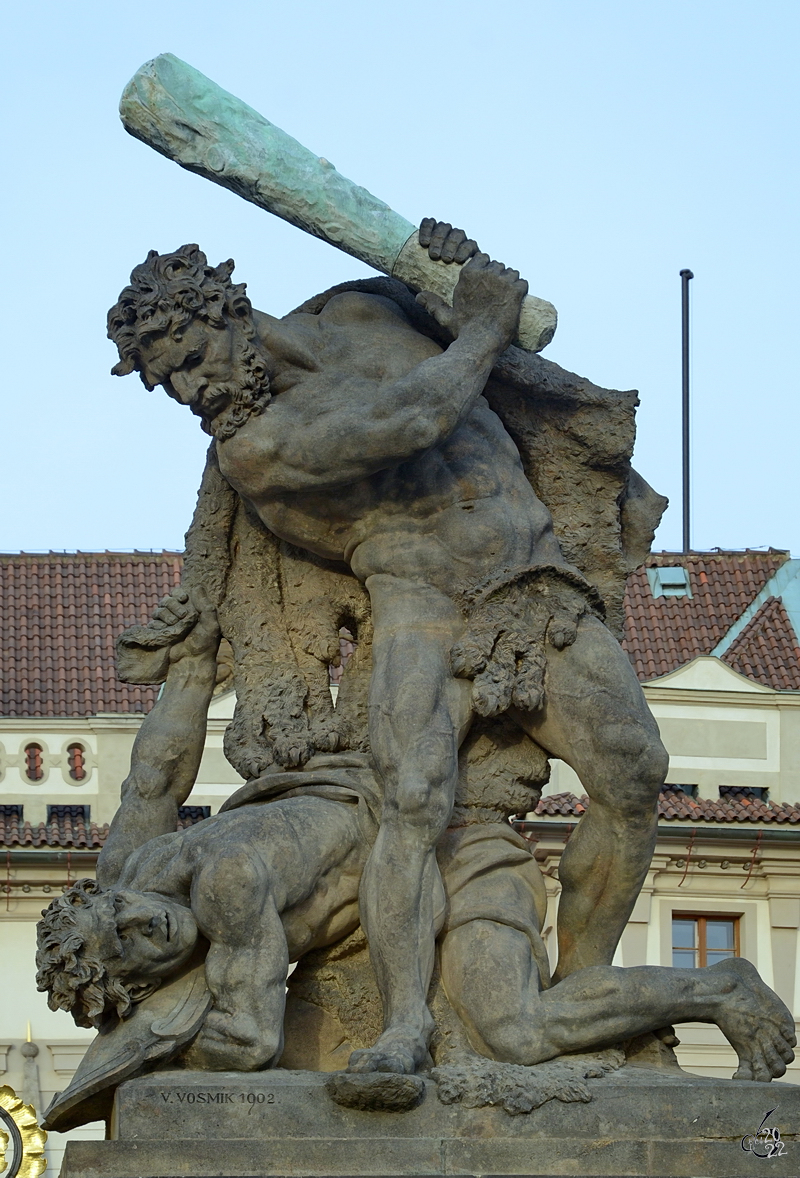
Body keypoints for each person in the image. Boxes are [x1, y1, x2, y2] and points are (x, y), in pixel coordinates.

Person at [106, 221, 671, 1075]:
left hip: (533, 578)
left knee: (636, 775)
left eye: (188, 357)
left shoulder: (360, 306)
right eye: (167, 383)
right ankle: (406, 1026)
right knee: (412, 803)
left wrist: (450, 264)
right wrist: (483, 321)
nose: (188, 389)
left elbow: (465, 309)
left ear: (223, 310)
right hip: (423, 609)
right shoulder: (257, 449)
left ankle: (586, 984)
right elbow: (417, 416)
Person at [37, 589, 796, 1084]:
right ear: (135, 978)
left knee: (516, 1028)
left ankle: (720, 988)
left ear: (107, 894)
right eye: (135, 945)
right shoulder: (141, 879)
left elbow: (247, 1038)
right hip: (377, 888)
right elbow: (155, 773)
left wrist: (143, 1045)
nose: (144, 920)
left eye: (121, 913)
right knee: (520, 1033)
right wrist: (195, 671)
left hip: (454, 849)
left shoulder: (218, 884)